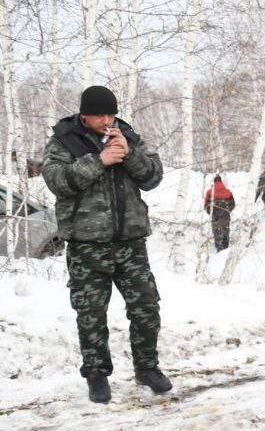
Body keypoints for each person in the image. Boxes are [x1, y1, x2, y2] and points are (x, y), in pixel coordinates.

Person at [41, 85, 172, 403]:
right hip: (88, 246)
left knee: (146, 308)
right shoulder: (64, 141)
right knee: (91, 313)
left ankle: (147, 368)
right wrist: (98, 160)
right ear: (84, 115)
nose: (107, 119)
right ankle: (97, 375)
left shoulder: (126, 135)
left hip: (130, 242)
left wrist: (129, 153)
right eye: (100, 114)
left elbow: (153, 178)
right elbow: (58, 182)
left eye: (111, 113)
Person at [203, 175, 235, 252]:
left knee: (216, 231)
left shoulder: (210, 192)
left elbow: (206, 205)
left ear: (214, 182)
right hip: (225, 215)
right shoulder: (228, 192)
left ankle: (219, 248)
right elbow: (233, 204)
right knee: (225, 230)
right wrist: (227, 211)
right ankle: (225, 248)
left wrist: (210, 213)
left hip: (215, 215)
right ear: (221, 181)